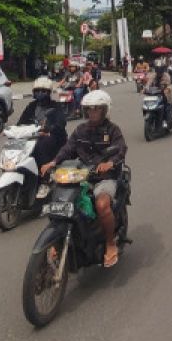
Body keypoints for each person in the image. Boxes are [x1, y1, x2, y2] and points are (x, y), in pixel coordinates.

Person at [40, 90, 127, 268]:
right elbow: (68, 148)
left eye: (96, 109)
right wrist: (53, 162)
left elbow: (121, 149)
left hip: (104, 177)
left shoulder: (112, 130)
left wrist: (110, 163)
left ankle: (110, 243)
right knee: (59, 201)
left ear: (104, 110)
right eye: (89, 109)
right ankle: (58, 239)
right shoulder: (80, 130)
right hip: (82, 175)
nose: (92, 113)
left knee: (102, 205)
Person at [17, 76, 68, 167]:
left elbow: (61, 123)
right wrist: (11, 130)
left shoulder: (55, 106)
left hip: (53, 138)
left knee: (42, 143)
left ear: (49, 92)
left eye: (43, 91)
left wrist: (49, 129)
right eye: (37, 91)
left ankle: (44, 170)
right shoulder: (31, 106)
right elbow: (21, 122)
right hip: (33, 136)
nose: (40, 93)